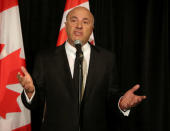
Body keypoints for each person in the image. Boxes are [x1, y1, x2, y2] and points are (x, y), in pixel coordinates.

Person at [17, 6, 146, 131]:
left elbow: (110, 95)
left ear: (92, 28)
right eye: (74, 20)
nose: (79, 26)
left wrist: (121, 103)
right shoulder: (46, 59)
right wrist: (30, 92)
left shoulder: (107, 59)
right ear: (66, 25)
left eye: (85, 22)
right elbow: (35, 104)